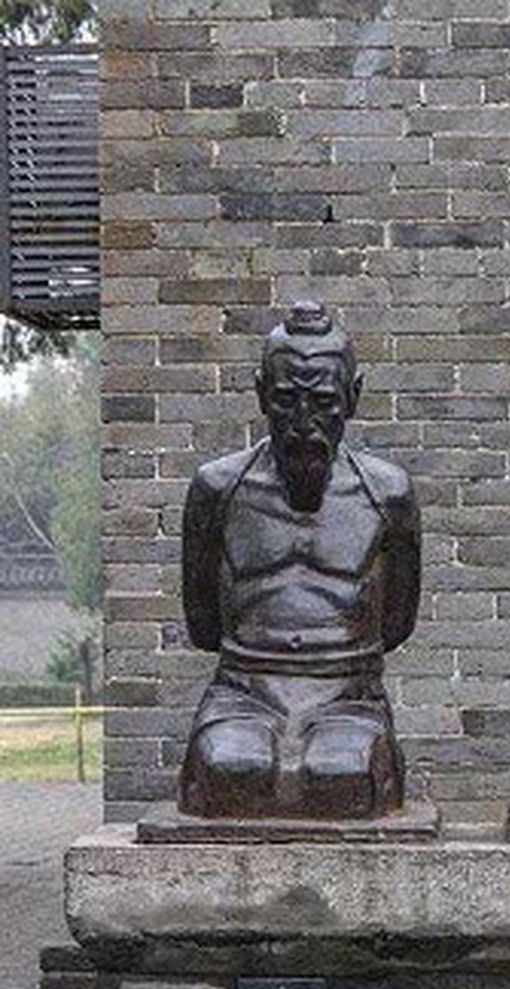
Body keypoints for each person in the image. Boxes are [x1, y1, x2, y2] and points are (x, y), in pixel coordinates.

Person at [179, 300, 420, 818]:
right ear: (261, 394)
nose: (304, 422)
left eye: (324, 401)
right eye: (287, 400)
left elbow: (397, 623)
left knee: (340, 775)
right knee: (232, 769)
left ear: (353, 397)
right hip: (244, 689)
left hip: (348, 691)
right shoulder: (218, 489)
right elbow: (203, 624)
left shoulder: (388, 494)